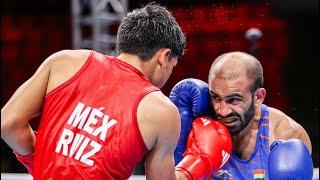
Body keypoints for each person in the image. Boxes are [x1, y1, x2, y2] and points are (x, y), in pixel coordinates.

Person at [1, 3, 231, 179]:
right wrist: (197, 163)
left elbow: (7, 123)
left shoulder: (64, 61)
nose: (170, 72)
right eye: (173, 65)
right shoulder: (161, 110)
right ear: (164, 56)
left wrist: (43, 159)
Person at [170, 51, 314, 179]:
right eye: (216, 98)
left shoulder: (286, 135)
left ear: (258, 97)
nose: (222, 111)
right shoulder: (197, 127)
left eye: (233, 100)